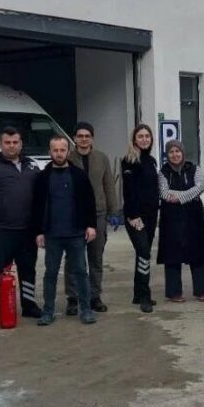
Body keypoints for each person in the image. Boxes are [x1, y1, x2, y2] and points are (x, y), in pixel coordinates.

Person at [30, 136, 98, 326]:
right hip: (52, 234)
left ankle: (86, 310)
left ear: (68, 152)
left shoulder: (79, 175)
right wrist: (38, 231)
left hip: (76, 233)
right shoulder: (42, 178)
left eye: (62, 150)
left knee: (81, 272)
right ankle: (48, 311)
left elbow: (89, 201)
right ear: (49, 152)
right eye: (55, 150)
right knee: (50, 274)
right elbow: (36, 206)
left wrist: (91, 225)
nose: (59, 153)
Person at [0, 126, 42, 320]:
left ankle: (29, 305)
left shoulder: (32, 166)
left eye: (15, 142)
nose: (11, 146)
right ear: (0, 144)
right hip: (1, 230)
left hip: (27, 230)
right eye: (7, 142)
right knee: (0, 270)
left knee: (28, 269)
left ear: (21, 144)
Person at [66, 121, 119, 314]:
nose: (83, 139)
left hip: (98, 214)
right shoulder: (68, 158)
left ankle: (94, 296)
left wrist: (114, 211)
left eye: (87, 136)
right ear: (74, 138)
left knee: (96, 257)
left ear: (92, 138)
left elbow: (109, 186)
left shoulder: (101, 158)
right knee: (73, 258)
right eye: (80, 136)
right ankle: (73, 298)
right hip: (74, 215)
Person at [157, 140, 204, 302]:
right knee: (172, 253)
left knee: (197, 251)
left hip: (194, 216)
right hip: (171, 218)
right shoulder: (163, 172)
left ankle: (200, 290)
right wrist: (188, 194)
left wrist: (179, 197)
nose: (175, 154)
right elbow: (164, 193)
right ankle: (174, 292)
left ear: (182, 152)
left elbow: (200, 187)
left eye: (177, 151)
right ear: (167, 155)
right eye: (171, 152)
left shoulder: (194, 168)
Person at [121, 124, 160, 313]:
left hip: (151, 215)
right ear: (134, 139)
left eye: (147, 136)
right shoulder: (129, 161)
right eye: (140, 136)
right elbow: (128, 191)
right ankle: (145, 295)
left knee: (142, 253)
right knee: (144, 252)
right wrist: (132, 216)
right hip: (135, 216)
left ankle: (137, 293)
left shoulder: (152, 161)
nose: (144, 139)